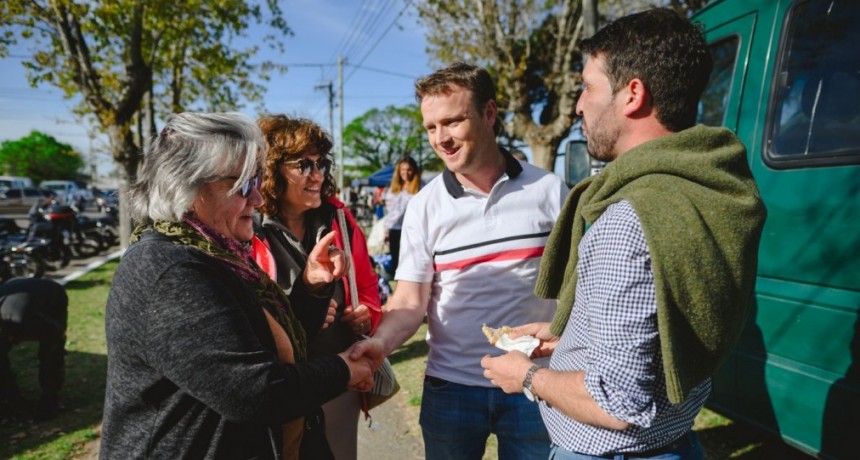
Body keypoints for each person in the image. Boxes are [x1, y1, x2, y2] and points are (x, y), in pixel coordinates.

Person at [479, 8, 767, 460]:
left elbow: (616, 401)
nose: (578, 105)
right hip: (675, 439)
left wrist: (527, 377)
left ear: (632, 94)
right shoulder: (707, 189)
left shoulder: (630, 220)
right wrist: (569, 338)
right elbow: (662, 332)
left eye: (587, 87)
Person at [100, 112, 378, 459]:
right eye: (245, 184)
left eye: (258, 180)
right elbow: (252, 391)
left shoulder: (215, 251)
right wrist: (342, 370)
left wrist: (312, 288)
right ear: (189, 185)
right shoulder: (171, 269)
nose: (258, 199)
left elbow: (264, 343)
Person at [350, 63, 569, 460]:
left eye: (451, 122)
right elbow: (409, 302)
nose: (441, 139)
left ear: (489, 114)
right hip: (451, 390)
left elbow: (577, 288)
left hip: (534, 383)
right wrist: (379, 343)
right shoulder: (424, 207)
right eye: (431, 128)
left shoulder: (550, 191)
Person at [253, 114, 382, 460]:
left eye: (321, 163)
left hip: (340, 374)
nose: (317, 175)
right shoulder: (250, 228)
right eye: (304, 165)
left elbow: (368, 286)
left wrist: (367, 312)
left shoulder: (340, 218)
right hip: (283, 383)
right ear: (272, 170)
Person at [0, 278, 68, 421]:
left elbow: (55, 335)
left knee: (51, 352)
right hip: (14, 293)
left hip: (53, 293)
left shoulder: (30, 319)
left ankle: (50, 400)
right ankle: (10, 397)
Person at [383, 156, 420, 275]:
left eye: (409, 169)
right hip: (394, 228)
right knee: (396, 260)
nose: (406, 172)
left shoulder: (420, 187)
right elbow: (390, 212)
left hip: (412, 230)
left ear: (414, 170)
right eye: (403, 170)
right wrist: (386, 230)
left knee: (411, 260)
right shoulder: (393, 188)